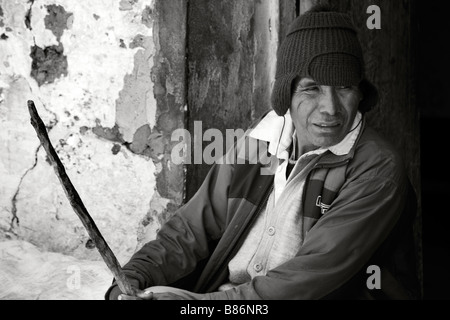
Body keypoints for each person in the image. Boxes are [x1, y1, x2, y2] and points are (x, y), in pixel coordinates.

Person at [105, 5, 420, 300]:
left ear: (360, 94)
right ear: (286, 91)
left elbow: (308, 280)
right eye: (312, 88)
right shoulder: (261, 141)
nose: (330, 109)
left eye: (345, 88)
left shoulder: (376, 168)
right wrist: (133, 276)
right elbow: (190, 229)